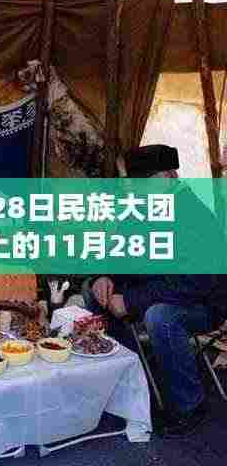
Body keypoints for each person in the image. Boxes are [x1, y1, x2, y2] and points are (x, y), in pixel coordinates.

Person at [83, 145, 227, 438]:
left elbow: (195, 283)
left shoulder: (195, 215)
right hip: (155, 291)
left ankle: (189, 405)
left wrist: (131, 300)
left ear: (167, 177)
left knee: (160, 317)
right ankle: (130, 384)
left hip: (203, 304)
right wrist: (103, 276)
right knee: (92, 291)